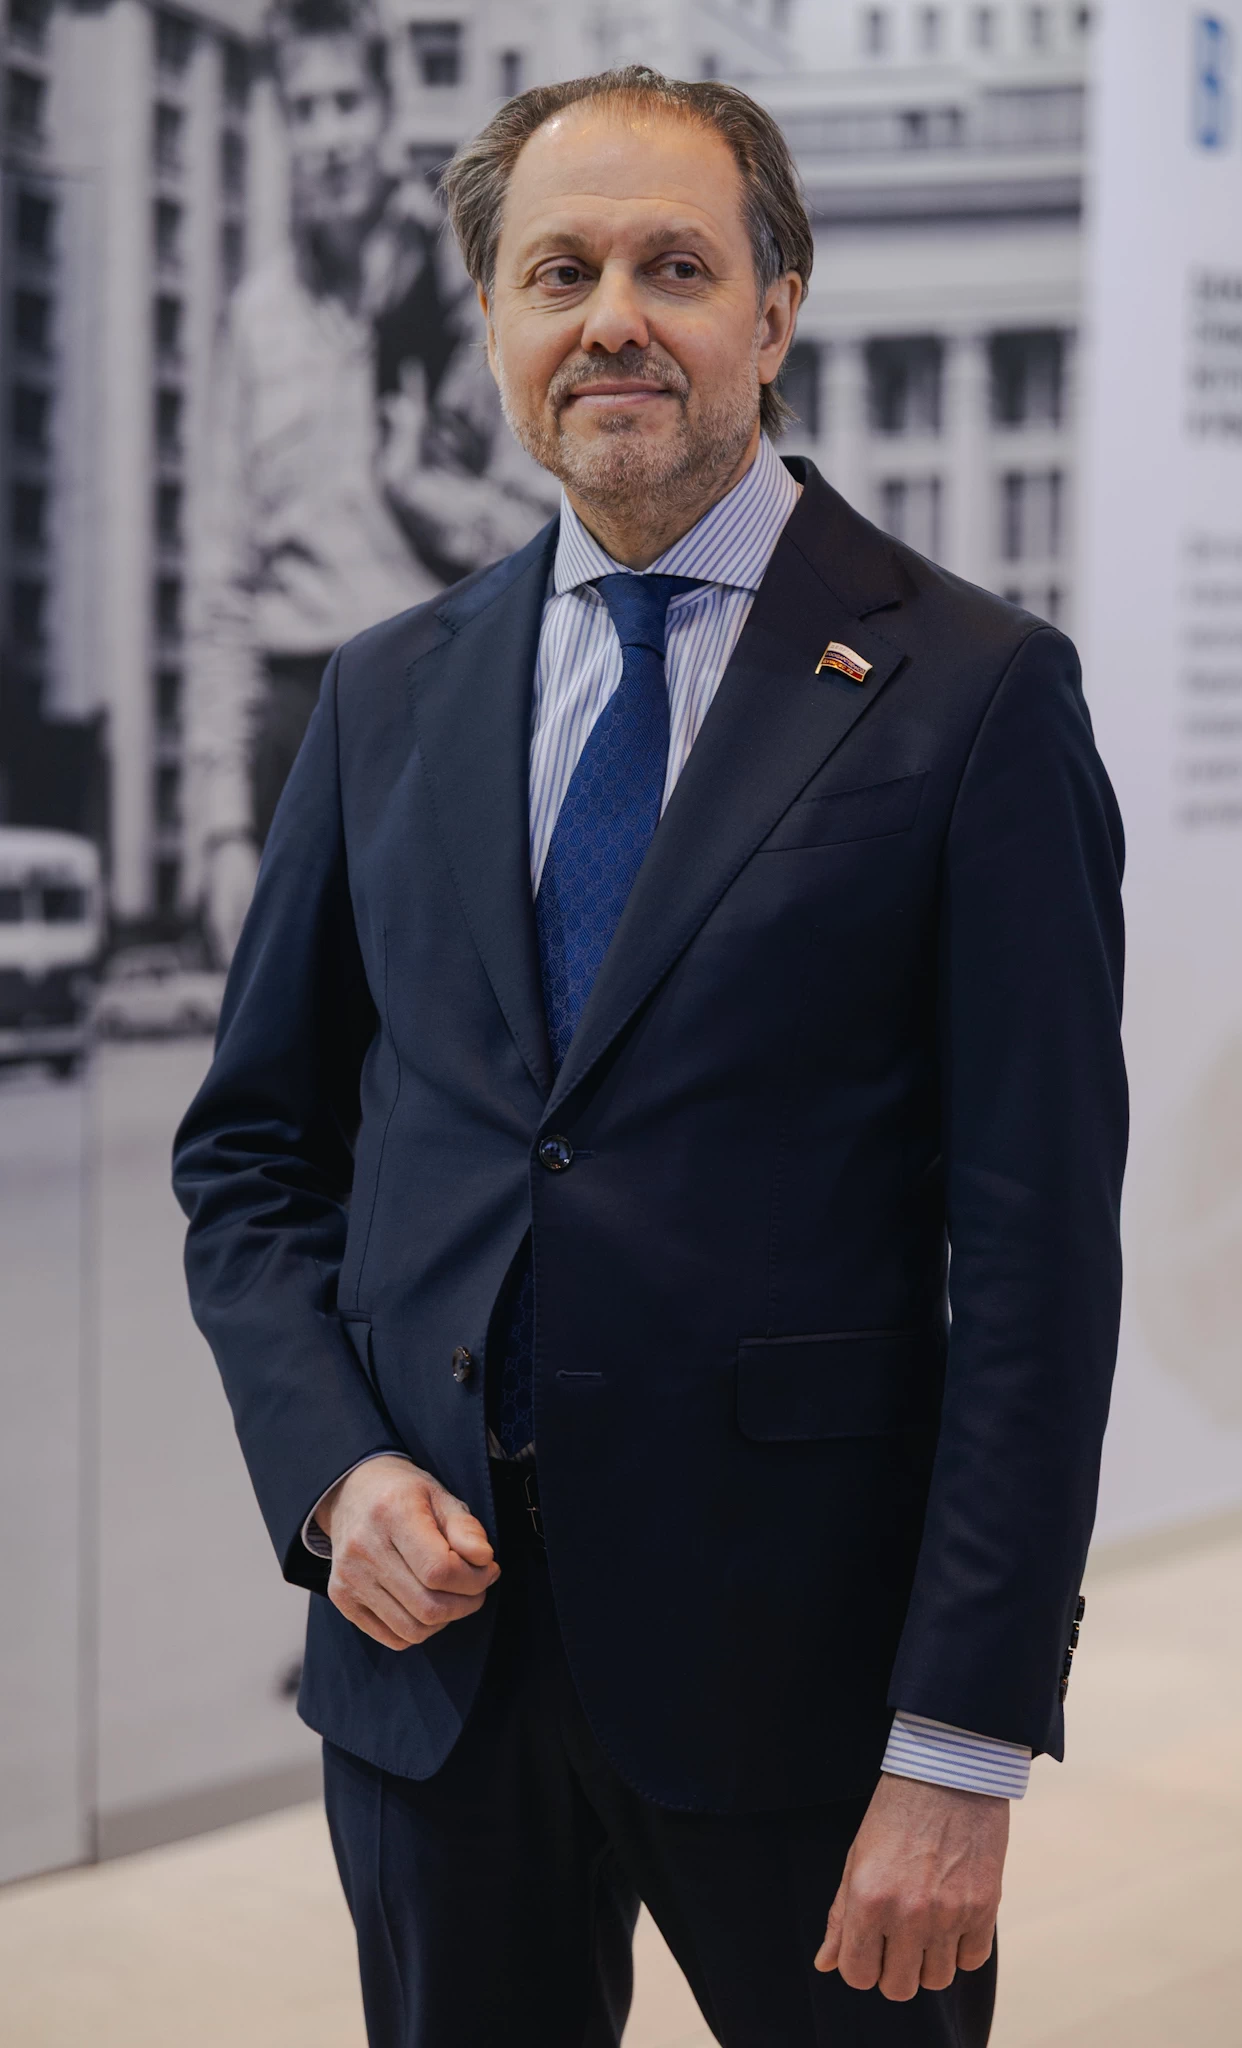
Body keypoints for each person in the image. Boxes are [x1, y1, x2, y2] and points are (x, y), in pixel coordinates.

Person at [174, 66, 1127, 2048]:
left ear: (774, 310)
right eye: (559, 272)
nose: (611, 317)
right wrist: (333, 1469)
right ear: (495, 323)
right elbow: (253, 1158)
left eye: (672, 267)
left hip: (808, 1692)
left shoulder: (972, 694)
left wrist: (960, 1742)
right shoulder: (385, 692)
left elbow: (1035, 1259)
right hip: (434, 1684)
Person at [185, 0, 553, 967]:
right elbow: (221, 585)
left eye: (346, 102)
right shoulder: (255, 321)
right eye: (305, 110)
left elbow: (545, 537)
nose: (330, 136)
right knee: (298, 1044)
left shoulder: (471, 296)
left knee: (442, 1037)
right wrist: (222, 825)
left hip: (437, 699)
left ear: (386, 110)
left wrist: (421, 494)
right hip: (296, 724)